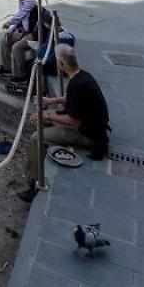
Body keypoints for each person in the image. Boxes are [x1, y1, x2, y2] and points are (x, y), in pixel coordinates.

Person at [20, 44, 110, 201]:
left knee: (36, 137)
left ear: (61, 64)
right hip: (89, 126)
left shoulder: (78, 84)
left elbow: (73, 120)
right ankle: (40, 158)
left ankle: (33, 183)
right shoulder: (82, 76)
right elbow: (71, 98)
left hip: (89, 134)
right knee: (46, 118)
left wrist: (47, 116)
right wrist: (51, 100)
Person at [0, 0, 37, 76]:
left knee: (17, 47)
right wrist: (11, 30)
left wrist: (9, 23)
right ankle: (7, 67)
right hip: (23, 30)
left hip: (32, 32)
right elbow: (20, 20)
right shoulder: (22, 1)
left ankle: (20, 75)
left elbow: (20, 15)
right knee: (5, 40)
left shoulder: (30, 2)